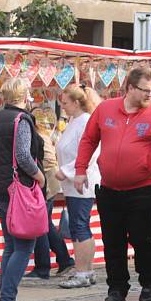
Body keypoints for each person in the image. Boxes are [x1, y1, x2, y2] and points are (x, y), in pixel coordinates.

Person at [75, 67, 151, 301]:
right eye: (145, 90)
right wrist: (80, 171)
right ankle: (117, 288)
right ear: (130, 88)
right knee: (113, 240)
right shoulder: (105, 109)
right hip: (109, 188)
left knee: (142, 239)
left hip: (142, 187)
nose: (150, 95)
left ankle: (149, 283)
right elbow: (89, 139)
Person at [0, 77, 46, 301]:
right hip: (17, 188)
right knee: (24, 245)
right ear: (24, 96)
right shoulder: (21, 120)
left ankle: (6, 298)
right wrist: (39, 176)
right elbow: (22, 155)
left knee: (10, 246)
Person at [55, 84, 101, 289]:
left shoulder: (84, 122)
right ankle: (85, 269)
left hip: (81, 181)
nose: (62, 107)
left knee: (79, 225)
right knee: (78, 225)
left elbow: (89, 152)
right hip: (73, 183)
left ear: (76, 102)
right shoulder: (75, 121)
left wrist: (67, 171)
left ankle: (83, 271)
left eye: (65, 103)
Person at [25, 114, 75, 280]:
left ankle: (43, 266)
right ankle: (64, 260)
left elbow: (42, 162)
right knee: (46, 225)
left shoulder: (37, 136)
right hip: (50, 182)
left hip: (46, 183)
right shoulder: (44, 136)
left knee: (41, 225)